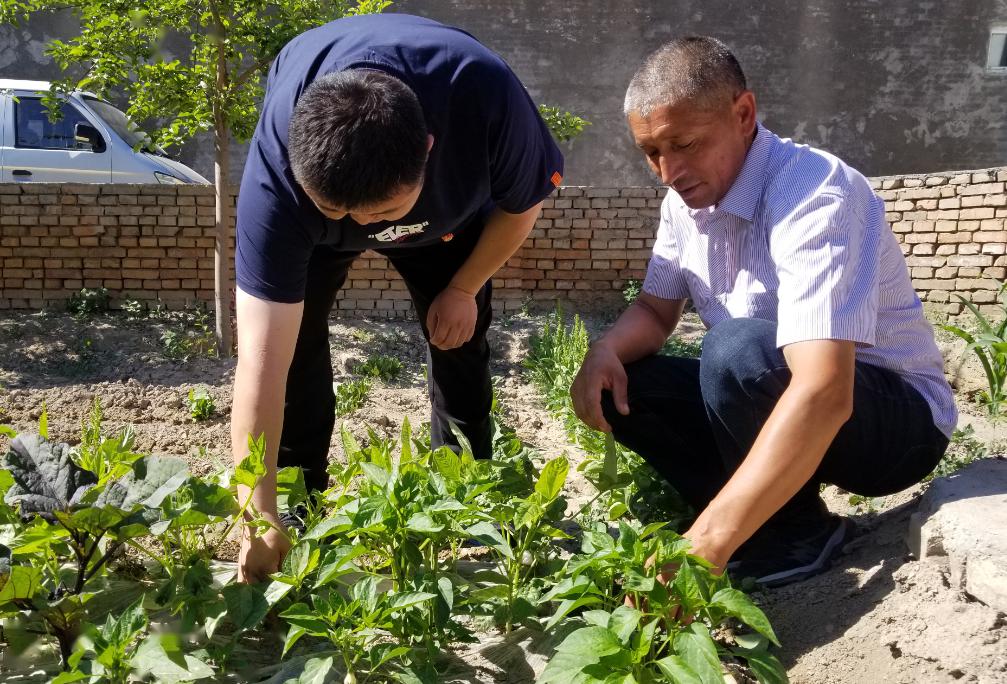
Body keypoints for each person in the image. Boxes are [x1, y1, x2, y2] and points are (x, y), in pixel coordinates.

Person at [571, 36, 956, 587]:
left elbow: (825, 390)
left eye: (685, 144)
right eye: (651, 152)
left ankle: (795, 533)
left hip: (894, 423)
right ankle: (752, 521)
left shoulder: (814, 194)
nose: (667, 171)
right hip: (794, 397)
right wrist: (604, 349)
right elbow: (655, 313)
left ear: (744, 114)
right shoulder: (684, 206)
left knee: (735, 350)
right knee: (632, 383)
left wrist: (704, 546)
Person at [232, 13, 563, 583]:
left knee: (459, 341)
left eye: (379, 213)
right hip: (316, 233)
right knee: (296, 352)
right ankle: (298, 507)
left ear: (429, 149)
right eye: (343, 211)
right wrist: (254, 513)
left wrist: (463, 287)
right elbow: (260, 362)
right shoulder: (277, 185)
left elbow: (521, 205)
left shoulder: (484, 94)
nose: (365, 226)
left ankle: (461, 499)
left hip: (444, 224)